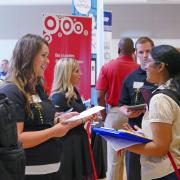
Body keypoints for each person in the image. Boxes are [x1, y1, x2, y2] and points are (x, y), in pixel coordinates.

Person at [0, 34, 86, 180]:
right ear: (28, 56)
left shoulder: (38, 88)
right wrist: (53, 132)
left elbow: (39, 122)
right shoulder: (12, 91)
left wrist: (59, 120)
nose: (48, 61)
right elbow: (17, 139)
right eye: (44, 55)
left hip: (52, 171)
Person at [122, 44, 180, 179]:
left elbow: (160, 148)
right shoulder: (173, 91)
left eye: (148, 61)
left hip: (165, 171)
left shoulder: (160, 99)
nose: (145, 66)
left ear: (160, 67)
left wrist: (126, 144)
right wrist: (144, 135)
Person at [96, 37, 139, 180]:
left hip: (114, 114)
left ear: (118, 50)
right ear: (133, 51)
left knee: (114, 160)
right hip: (135, 115)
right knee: (133, 159)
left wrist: (103, 116)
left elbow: (99, 97)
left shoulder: (108, 67)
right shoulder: (139, 69)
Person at [50, 57, 97, 180]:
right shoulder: (58, 97)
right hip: (68, 145)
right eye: (76, 71)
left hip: (79, 141)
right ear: (66, 74)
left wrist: (89, 115)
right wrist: (83, 118)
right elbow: (59, 126)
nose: (80, 74)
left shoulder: (74, 93)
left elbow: (78, 115)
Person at [119, 37, 156, 180]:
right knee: (133, 172)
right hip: (134, 130)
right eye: (141, 52)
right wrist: (126, 111)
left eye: (148, 51)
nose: (145, 55)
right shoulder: (130, 78)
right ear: (135, 53)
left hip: (155, 132)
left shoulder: (161, 77)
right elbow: (122, 103)